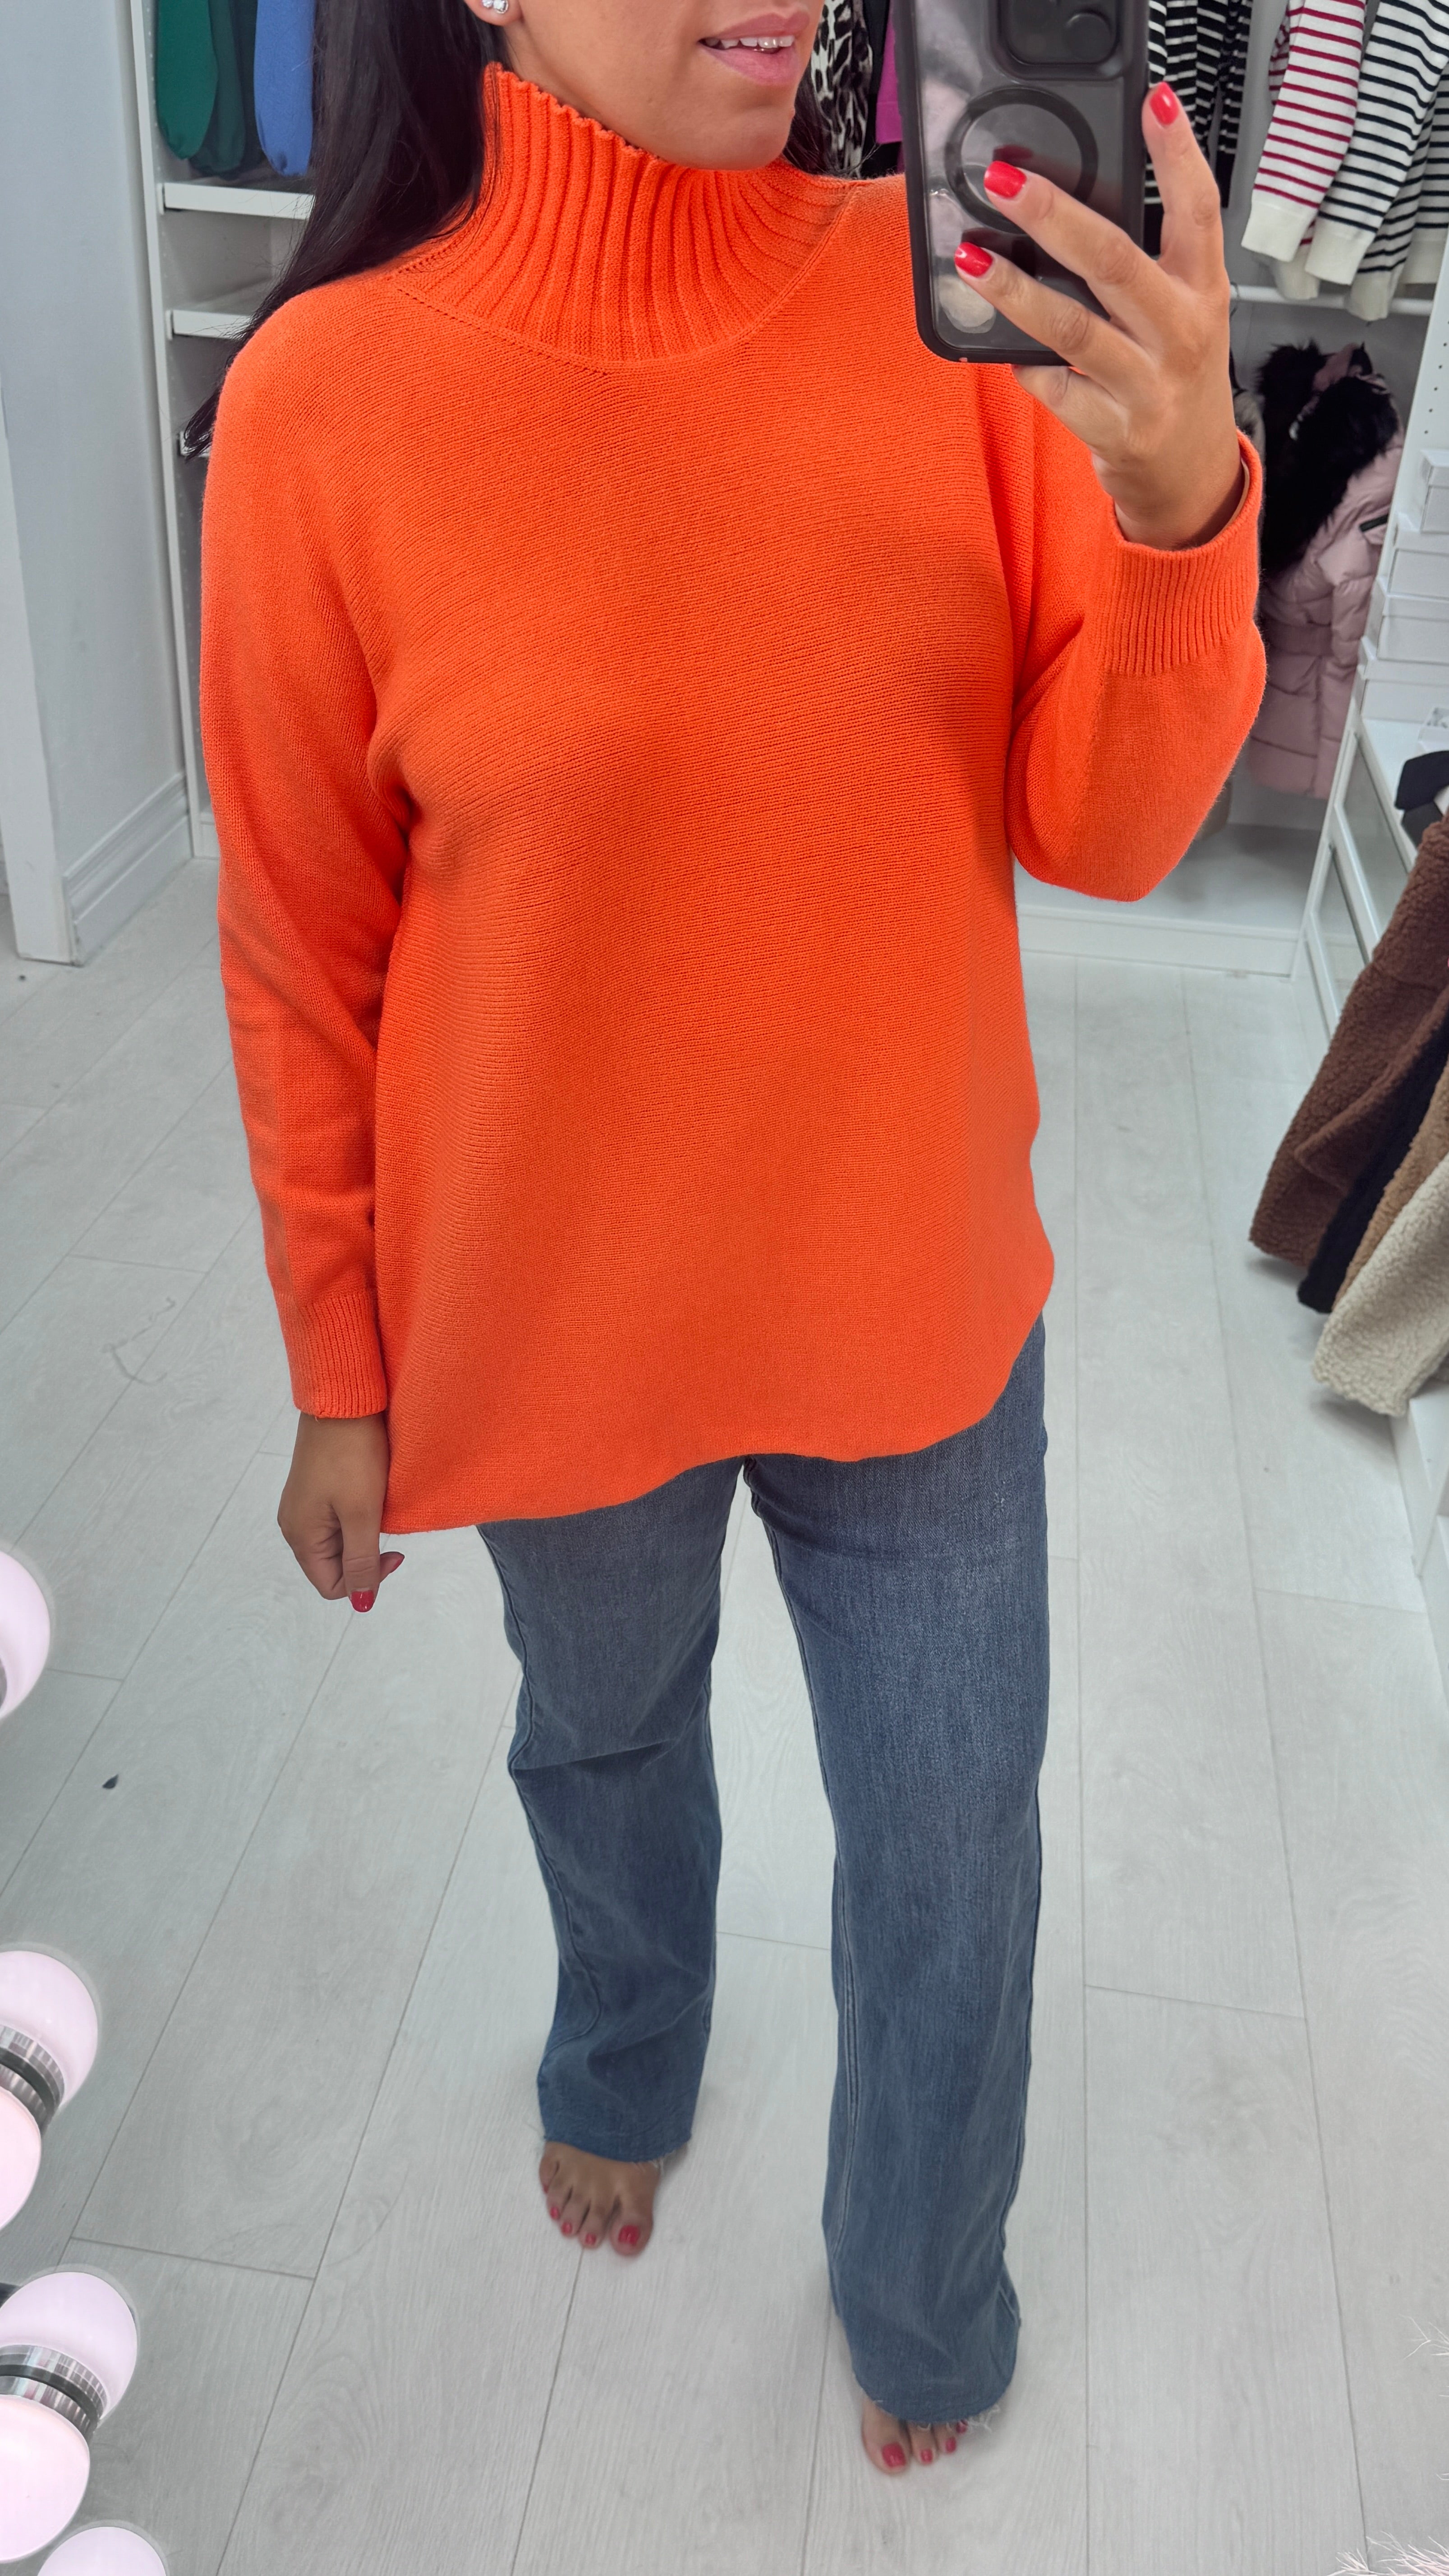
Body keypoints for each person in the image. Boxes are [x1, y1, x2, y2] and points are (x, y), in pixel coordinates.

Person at [200, 0, 1263, 2483]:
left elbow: (1106, 837)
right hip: (557, 1320)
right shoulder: (329, 404)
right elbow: (300, 953)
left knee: (952, 1845)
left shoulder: (952, 322)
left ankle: (921, 2283)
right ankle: (625, 2053)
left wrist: (1182, 500)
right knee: (601, 1737)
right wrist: (341, 1366)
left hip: (915, 1307)